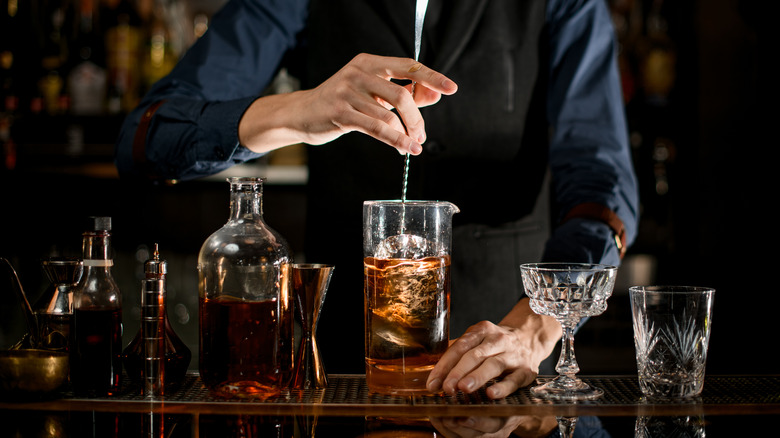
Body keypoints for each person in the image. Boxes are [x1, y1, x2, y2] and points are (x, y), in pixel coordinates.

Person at [115, 0, 639, 401]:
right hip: (343, 373)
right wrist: (302, 110)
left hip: (510, 367)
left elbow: (600, 186)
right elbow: (150, 138)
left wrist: (535, 328)